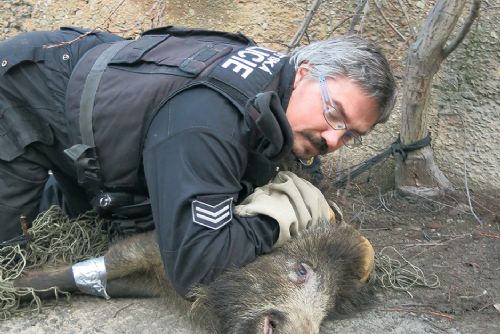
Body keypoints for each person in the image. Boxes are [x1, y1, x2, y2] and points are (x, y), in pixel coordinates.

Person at [0, 26, 396, 296]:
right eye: (334, 115)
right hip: (23, 91)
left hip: (97, 123)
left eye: (350, 135)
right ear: (305, 74)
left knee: (85, 218)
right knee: (9, 261)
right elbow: (194, 269)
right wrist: (271, 221)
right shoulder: (211, 120)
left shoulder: (279, 99)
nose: (333, 139)